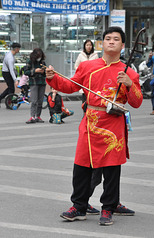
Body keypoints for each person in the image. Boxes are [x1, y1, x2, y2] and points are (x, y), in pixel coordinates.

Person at [46, 26, 143, 226]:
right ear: (102, 43)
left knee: (111, 169)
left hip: (113, 125)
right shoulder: (89, 67)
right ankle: (79, 206)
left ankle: (108, 208)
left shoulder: (130, 73)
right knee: (81, 166)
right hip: (90, 121)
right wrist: (52, 78)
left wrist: (128, 85)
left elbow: (137, 101)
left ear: (122, 45)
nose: (111, 41)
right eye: (108, 38)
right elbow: (70, 85)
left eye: (116, 39)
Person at [74, 39, 99, 113]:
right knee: (84, 98)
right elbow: (76, 66)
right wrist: (81, 71)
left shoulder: (95, 55)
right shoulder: (81, 55)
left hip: (92, 80)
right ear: (85, 46)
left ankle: (90, 113)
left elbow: (98, 66)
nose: (89, 47)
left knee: (91, 98)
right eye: (87, 45)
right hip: (84, 79)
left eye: (90, 45)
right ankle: (84, 113)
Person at [24, 48, 46, 124]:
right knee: (34, 101)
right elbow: (26, 72)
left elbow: (45, 72)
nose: (39, 58)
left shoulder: (42, 62)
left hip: (42, 82)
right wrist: (35, 71)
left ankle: (38, 116)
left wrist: (43, 71)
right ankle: (32, 116)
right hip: (33, 82)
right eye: (38, 56)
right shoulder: (30, 61)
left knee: (40, 101)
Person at [0, 42, 21, 108]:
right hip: (7, 73)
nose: (19, 50)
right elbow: (11, 70)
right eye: (18, 49)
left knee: (11, 88)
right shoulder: (10, 58)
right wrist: (15, 80)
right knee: (11, 88)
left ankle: (4, 101)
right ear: (16, 49)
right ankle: (6, 102)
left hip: (6, 72)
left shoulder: (9, 54)